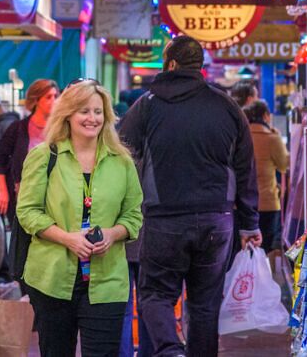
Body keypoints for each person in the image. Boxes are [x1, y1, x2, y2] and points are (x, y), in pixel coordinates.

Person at [120, 35, 259, 357]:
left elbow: (121, 154)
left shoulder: (148, 105)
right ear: (199, 66)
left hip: (163, 218)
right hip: (217, 220)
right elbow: (245, 168)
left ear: (170, 64)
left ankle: (169, 351)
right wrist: (249, 223)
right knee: (206, 303)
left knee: (156, 294)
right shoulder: (226, 106)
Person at [18, 81, 143, 357]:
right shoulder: (44, 156)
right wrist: (67, 238)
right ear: (68, 114)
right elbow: (27, 211)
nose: (92, 119)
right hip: (52, 279)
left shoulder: (122, 161)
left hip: (107, 280)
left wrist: (113, 234)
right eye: (84, 111)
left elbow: (133, 214)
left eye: (98, 112)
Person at [0, 79, 59, 285]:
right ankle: (25, 287)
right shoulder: (19, 128)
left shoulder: (62, 129)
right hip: (22, 197)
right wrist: (2, 191)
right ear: (36, 100)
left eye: (56, 96)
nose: (54, 101)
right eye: (49, 97)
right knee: (23, 245)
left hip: (55, 198)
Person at [245, 99, 289, 251]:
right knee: (265, 248)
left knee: (245, 248)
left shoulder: (242, 135)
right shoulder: (272, 138)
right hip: (267, 203)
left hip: (243, 203)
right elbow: (284, 164)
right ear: (265, 116)